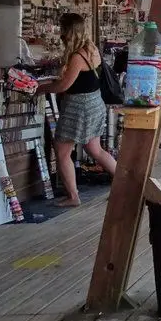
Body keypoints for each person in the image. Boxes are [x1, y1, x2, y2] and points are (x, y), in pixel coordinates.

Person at [36, 13, 115, 206]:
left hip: (79, 107)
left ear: (68, 31)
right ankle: (125, 182)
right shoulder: (92, 48)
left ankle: (73, 196)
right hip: (95, 102)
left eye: (62, 29)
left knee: (62, 151)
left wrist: (40, 88)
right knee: (95, 149)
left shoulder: (78, 56)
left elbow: (64, 86)